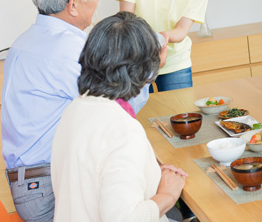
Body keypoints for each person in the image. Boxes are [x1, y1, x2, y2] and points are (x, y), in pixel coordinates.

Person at [1, 0, 153, 222]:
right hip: (47, 191)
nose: (98, 0)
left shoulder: (25, 40)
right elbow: (118, 110)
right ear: (73, 4)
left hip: (30, 182)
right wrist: (149, 68)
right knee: (145, 193)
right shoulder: (68, 49)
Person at [51, 12, 187, 221]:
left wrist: (148, 170)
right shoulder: (123, 130)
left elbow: (98, 170)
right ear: (146, 68)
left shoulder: (76, 108)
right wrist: (168, 195)